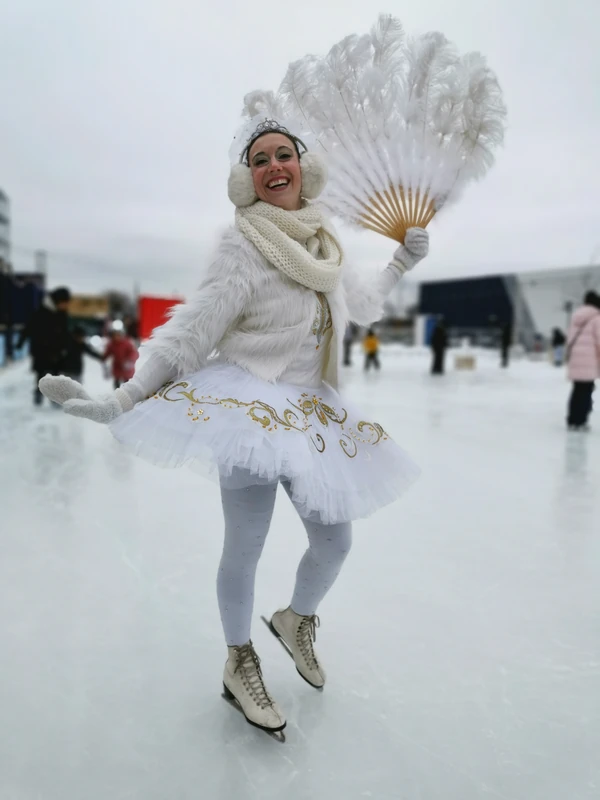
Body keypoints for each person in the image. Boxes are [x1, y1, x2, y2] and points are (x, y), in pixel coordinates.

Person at [39, 116, 429, 735]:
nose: (274, 166)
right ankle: (238, 659)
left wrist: (401, 264)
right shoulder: (242, 244)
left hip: (312, 411)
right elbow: (197, 329)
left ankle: (296, 621)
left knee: (336, 543)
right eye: (259, 160)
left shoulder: (325, 242)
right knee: (244, 546)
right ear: (247, 178)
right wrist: (126, 397)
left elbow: (358, 304)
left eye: (283, 155)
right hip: (249, 408)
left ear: (304, 167)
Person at [17, 287, 71, 406]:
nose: (66, 305)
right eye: (65, 302)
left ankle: (55, 400)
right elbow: (28, 328)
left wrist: (67, 346)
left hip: (57, 350)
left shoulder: (62, 314)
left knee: (56, 376)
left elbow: (65, 332)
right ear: (58, 301)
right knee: (41, 375)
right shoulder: (41, 312)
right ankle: (38, 396)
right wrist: (20, 343)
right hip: (41, 350)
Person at [565, 291, 600, 431]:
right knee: (586, 390)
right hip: (589, 360)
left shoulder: (576, 316)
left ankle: (572, 420)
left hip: (576, 358)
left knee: (576, 390)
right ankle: (581, 421)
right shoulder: (597, 317)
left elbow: (569, 338)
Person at [102, 324, 139, 390]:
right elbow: (107, 353)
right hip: (117, 366)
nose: (116, 337)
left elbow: (133, 353)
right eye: (114, 335)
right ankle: (117, 393)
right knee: (116, 382)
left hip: (126, 366)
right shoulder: (111, 344)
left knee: (127, 382)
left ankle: (127, 393)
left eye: (118, 335)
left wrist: (130, 360)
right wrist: (103, 358)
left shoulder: (127, 343)